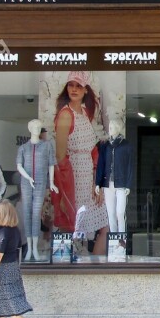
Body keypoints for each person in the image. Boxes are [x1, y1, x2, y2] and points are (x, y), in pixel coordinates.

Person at [53, 70, 108, 255]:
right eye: (71, 85)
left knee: (103, 225)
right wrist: (64, 192)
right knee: (74, 226)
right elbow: (60, 155)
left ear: (86, 90)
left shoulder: (84, 112)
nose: (74, 89)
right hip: (73, 175)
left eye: (78, 86)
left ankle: (92, 266)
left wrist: (97, 182)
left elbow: (92, 149)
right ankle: (78, 267)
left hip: (88, 176)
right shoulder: (65, 114)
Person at [17, 119, 58, 261]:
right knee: (26, 213)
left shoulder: (46, 146)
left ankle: (34, 248)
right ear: (29, 128)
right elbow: (19, 166)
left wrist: (51, 182)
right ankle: (29, 248)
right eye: (34, 126)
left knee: (36, 214)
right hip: (26, 183)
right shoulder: (23, 148)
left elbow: (51, 164)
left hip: (40, 182)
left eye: (39, 127)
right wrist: (27, 177)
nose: (36, 129)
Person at [95, 119, 133, 233]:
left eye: (112, 126)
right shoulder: (106, 146)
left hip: (121, 183)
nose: (110, 128)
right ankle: (113, 240)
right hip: (108, 184)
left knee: (120, 213)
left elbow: (130, 165)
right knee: (110, 213)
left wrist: (128, 185)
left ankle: (122, 239)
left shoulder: (126, 145)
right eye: (110, 126)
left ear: (118, 128)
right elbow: (101, 164)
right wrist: (98, 183)